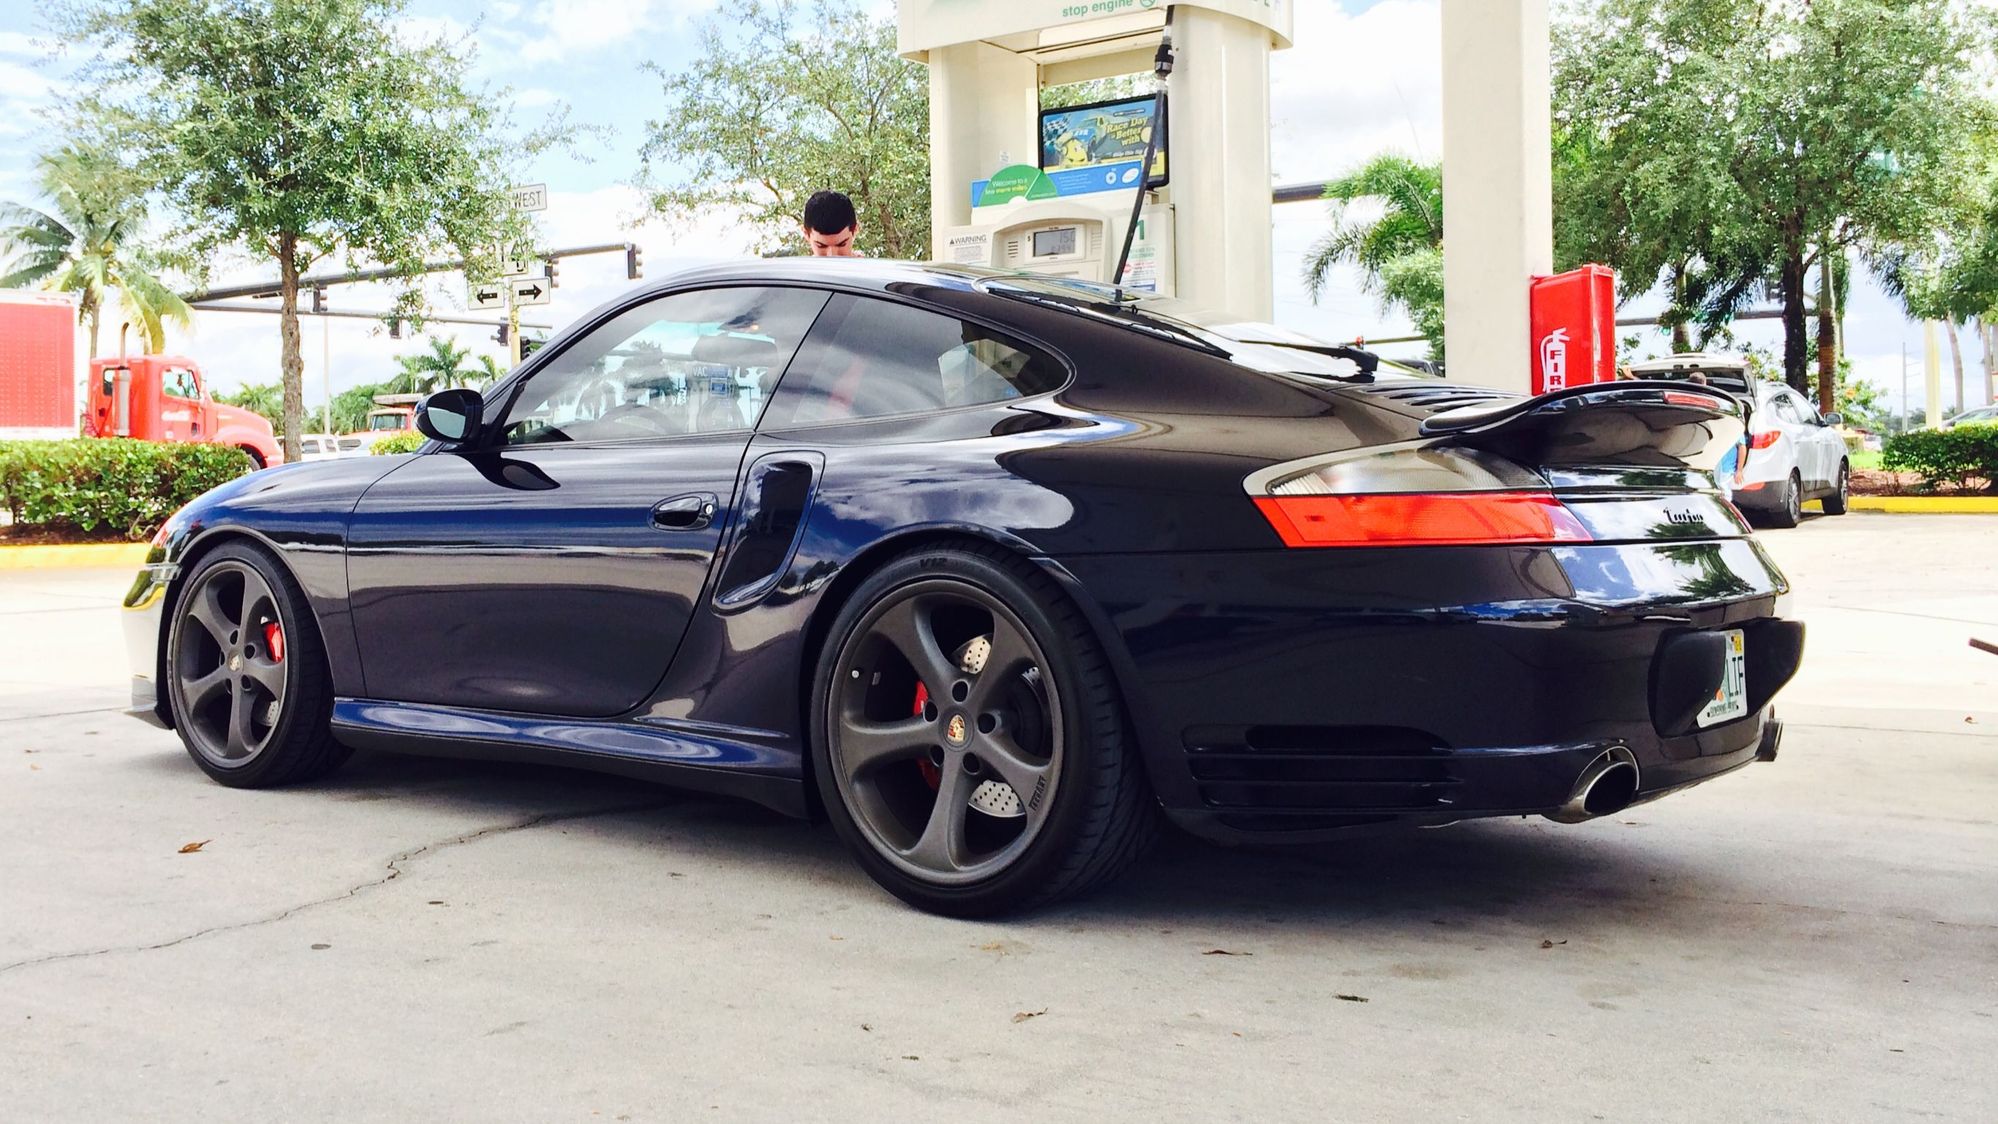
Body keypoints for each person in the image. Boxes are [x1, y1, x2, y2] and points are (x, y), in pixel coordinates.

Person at [802, 190, 863, 257]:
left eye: (842, 245)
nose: (832, 255)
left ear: (855, 230)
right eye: (821, 246)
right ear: (806, 234)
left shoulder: (867, 263)